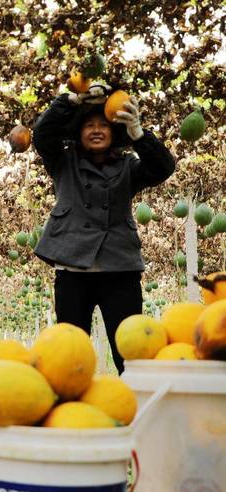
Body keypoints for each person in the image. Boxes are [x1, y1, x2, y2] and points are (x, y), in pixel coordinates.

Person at [32, 84, 176, 373]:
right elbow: (43, 135)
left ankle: (136, 411)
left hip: (119, 270)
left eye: (103, 125)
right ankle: (73, 412)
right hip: (73, 271)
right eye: (89, 125)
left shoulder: (128, 167)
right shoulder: (63, 161)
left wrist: (139, 134)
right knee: (70, 355)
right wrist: (70, 100)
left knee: (130, 353)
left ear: (114, 133)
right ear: (79, 132)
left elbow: (163, 168)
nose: (96, 130)